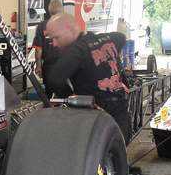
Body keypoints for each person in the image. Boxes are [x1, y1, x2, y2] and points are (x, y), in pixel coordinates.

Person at [45, 13, 132, 144]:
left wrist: (70, 97)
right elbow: (121, 37)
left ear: (70, 29)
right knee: (120, 152)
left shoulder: (77, 50)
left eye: (56, 38)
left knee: (102, 158)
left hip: (96, 116)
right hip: (120, 110)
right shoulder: (109, 38)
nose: (54, 44)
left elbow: (55, 78)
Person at [33, 0, 70, 98]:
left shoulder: (41, 26)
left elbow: (38, 50)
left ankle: (49, 109)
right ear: (61, 11)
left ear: (49, 11)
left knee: (49, 95)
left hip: (49, 67)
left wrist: (38, 66)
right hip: (66, 65)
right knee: (66, 96)